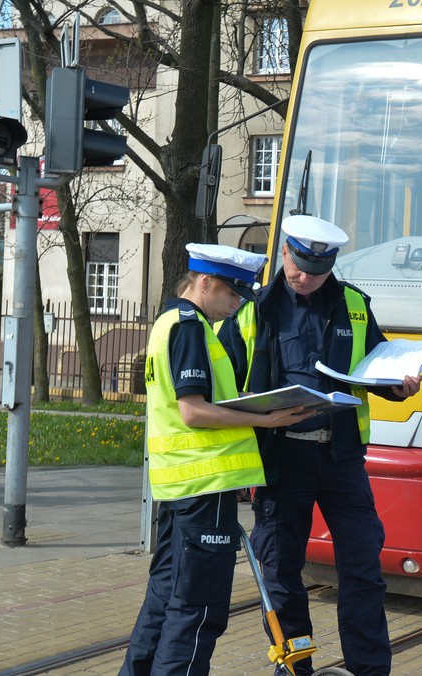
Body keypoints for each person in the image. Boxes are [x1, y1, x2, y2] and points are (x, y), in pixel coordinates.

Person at [219, 215, 422, 676]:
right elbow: (222, 384)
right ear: (285, 252)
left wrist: (399, 385)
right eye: (298, 265)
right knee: (282, 573)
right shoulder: (253, 310)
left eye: (316, 270)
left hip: (340, 458)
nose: (304, 277)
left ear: (331, 266)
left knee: (362, 569)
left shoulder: (353, 304)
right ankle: (296, 669)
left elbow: (377, 363)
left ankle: (367, 669)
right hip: (281, 458)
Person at [121, 244, 312, 676]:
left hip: (182, 490)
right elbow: (193, 411)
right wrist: (264, 421)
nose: (237, 304)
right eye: (232, 293)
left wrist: (255, 403)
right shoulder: (191, 327)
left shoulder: (171, 322)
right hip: (207, 489)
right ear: (205, 282)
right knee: (198, 612)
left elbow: (200, 400)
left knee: (164, 601)